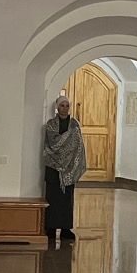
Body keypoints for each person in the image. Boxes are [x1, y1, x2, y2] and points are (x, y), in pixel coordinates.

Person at [43, 95, 86, 245]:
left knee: (67, 199)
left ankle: (66, 228)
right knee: (52, 198)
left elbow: (77, 145)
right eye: (62, 105)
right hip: (53, 167)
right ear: (57, 107)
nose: (64, 108)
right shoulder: (51, 124)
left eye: (67, 106)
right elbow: (53, 143)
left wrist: (68, 157)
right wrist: (67, 141)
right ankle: (51, 227)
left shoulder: (74, 124)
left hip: (69, 168)